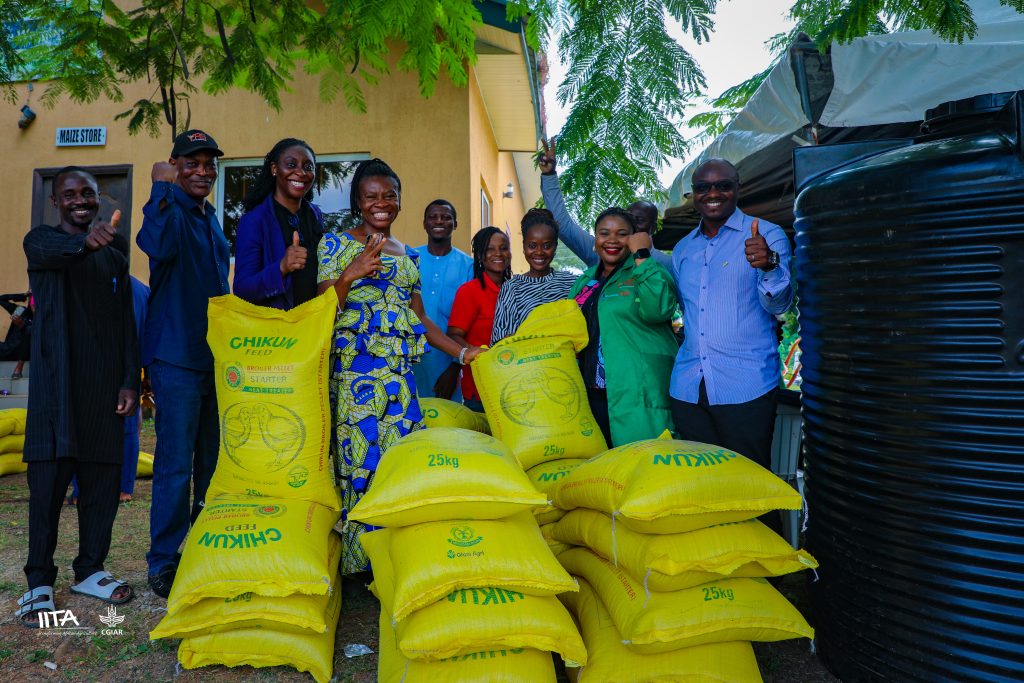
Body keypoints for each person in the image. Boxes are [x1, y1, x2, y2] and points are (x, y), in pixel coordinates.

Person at [317, 158, 481, 575]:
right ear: (357, 200)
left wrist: (463, 354)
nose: (381, 203)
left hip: (399, 379)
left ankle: (394, 558)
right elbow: (320, 311)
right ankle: (359, 565)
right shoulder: (334, 245)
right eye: (371, 196)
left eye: (389, 195)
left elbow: (422, 320)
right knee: (359, 464)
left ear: (400, 201)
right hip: (355, 375)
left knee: (397, 463)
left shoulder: (408, 256)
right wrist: (351, 274)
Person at [16, 167, 138, 627]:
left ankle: (90, 568)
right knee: (46, 489)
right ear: (56, 201)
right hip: (55, 389)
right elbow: (58, 250)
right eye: (70, 194)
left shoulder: (114, 253)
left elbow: (125, 319)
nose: (80, 200)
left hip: (103, 388)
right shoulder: (42, 241)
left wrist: (130, 379)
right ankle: (39, 581)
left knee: (102, 484)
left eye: (88, 193)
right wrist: (87, 243)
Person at [137, 129, 230, 598]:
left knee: (211, 463)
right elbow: (153, 244)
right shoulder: (171, 209)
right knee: (175, 463)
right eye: (191, 163)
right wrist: (158, 188)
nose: (202, 171)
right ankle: (164, 560)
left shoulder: (210, 218)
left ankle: (202, 546)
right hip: (175, 357)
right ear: (174, 165)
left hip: (213, 357)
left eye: (209, 164)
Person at [669, 158, 794, 475]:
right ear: (694, 194)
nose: (713, 193)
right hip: (688, 389)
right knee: (701, 486)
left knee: (751, 486)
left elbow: (780, 304)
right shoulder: (683, 249)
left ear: (737, 188)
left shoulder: (768, 235)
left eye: (723, 185)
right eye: (703, 187)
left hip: (745, 387)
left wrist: (769, 265)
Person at [569, 208, 678, 447]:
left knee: (641, 465)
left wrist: (642, 255)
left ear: (633, 238)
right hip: (590, 391)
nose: (612, 240)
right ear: (595, 239)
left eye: (622, 234)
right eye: (604, 233)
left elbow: (658, 309)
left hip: (636, 389)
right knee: (601, 471)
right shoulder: (585, 280)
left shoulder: (648, 270)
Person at [69, 275, 149, 505]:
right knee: (127, 425)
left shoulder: (88, 283)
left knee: (85, 427)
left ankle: (83, 489)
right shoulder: (141, 289)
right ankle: (124, 488)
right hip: (130, 368)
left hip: (93, 365)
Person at [538, 137, 673, 272]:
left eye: (639, 220)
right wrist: (549, 175)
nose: (633, 224)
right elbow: (562, 224)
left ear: (653, 228)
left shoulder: (667, 264)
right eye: (629, 218)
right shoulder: (600, 251)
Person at [233, 138, 324, 309]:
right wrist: (282, 267)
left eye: (308, 167)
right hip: (276, 330)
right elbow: (242, 289)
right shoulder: (254, 220)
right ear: (274, 169)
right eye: (291, 165)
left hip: (314, 326)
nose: (301, 172)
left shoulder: (315, 215)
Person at [412, 199, 473, 400]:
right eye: (433, 217)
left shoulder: (468, 266)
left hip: (448, 362)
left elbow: (469, 324)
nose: (439, 221)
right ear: (424, 223)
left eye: (446, 217)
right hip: (411, 359)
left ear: (455, 224)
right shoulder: (410, 259)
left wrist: (455, 368)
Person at [447, 226, 511, 412]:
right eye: (490, 249)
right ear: (480, 256)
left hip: (514, 384)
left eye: (503, 248)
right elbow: (453, 335)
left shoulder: (515, 289)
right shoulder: (469, 291)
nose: (498, 253)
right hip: (480, 388)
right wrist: (478, 354)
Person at [490, 208, 578, 344]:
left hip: (568, 363)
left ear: (555, 246)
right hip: (525, 363)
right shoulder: (512, 288)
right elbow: (500, 340)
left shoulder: (571, 283)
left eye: (547, 246)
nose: (539, 252)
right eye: (532, 246)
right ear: (524, 246)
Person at [0, 290, 32, 378]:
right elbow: (1, 299)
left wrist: (22, 326)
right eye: (32, 301)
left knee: (29, 331)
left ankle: (19, 369)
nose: (34, 305)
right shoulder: (20, 310)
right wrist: (23, 295)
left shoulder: (43, 319)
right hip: (7, 349)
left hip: (22, 354)